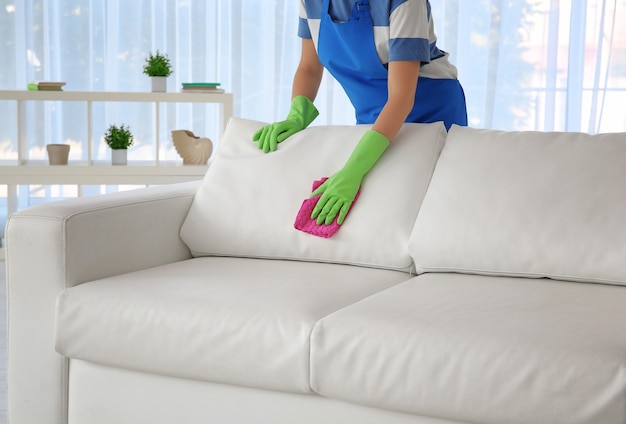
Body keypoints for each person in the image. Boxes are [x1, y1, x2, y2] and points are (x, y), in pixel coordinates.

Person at [253, 0, 467, 226]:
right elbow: (309, 67)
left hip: (431, 112)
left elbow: (401, 98)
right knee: (377, 219)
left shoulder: (404, 2)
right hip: (373, 119)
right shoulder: (310, 2)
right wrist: (296, 116)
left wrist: (353, 169)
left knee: (433, 218)